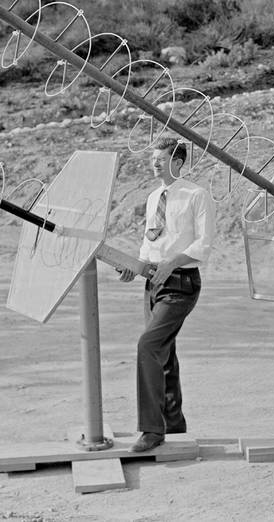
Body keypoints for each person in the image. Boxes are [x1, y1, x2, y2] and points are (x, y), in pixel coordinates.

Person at [118, 136, 214, 453]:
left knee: (148, 346)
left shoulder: (196, 196)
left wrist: (172, 262)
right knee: (164, 354)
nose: (154, 163)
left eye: (161, 158)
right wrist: (135, 266)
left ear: (177, 162)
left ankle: (151, 430)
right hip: (153, 282)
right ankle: (173, 424)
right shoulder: (152, 197)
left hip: (181, 284)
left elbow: (204, 245)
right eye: (153, 158)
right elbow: (150, 244)